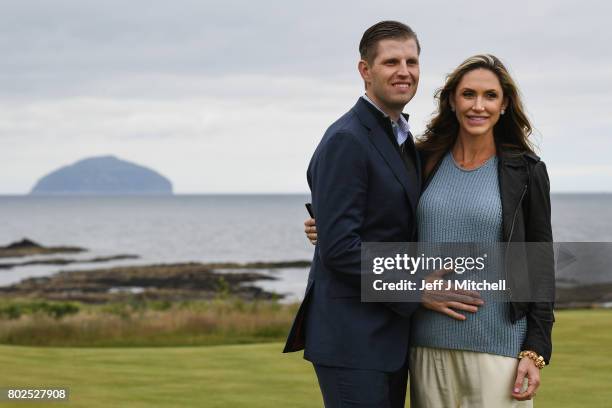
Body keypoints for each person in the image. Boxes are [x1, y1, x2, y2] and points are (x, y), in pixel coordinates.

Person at [304, 54, 555, 407]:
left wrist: (535, 349)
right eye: (468, 94)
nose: (478, 106)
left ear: (505, 104)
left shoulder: (526, 171)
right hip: (424, 347)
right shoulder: (421, 160)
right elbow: (378, 222)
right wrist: (326, 228)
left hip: (500, 349)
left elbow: (539, 264)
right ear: (452, 101)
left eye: (490, 96)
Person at [284, 21, 482, 408]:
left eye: (412, 61)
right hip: (353, 341)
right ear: (365, 70)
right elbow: (340, 250)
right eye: (391, 62)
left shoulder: (400, 137)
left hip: (388, 337)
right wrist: (417, 290)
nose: (404, 71)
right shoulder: (347, 139)